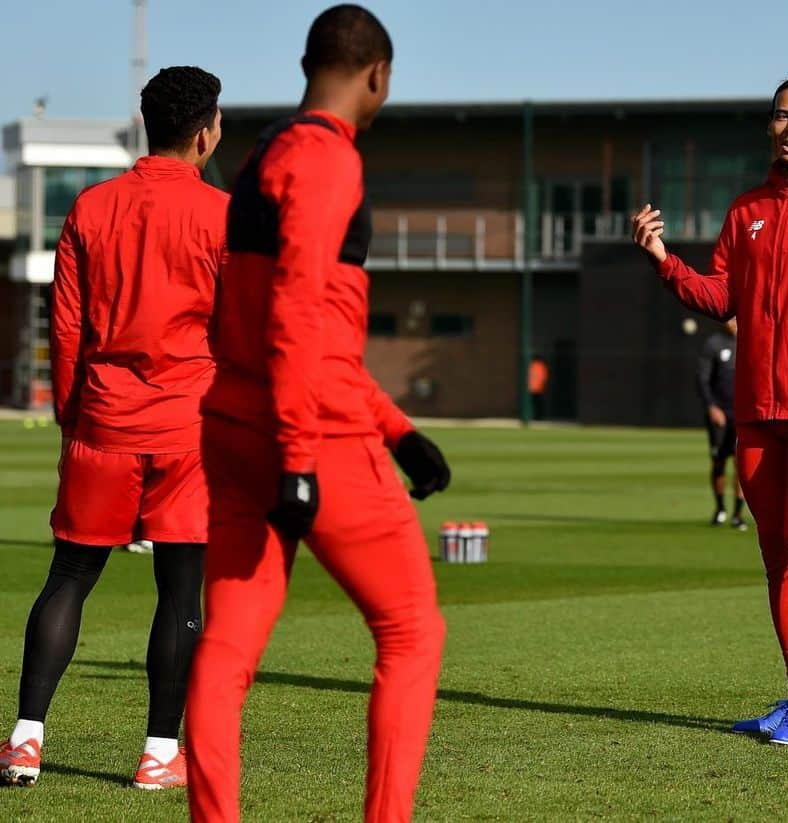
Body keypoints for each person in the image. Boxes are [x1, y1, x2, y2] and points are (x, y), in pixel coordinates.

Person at [184, 7, 450, 822]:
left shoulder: (263, 152)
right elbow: (298, 316)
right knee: (412, 633)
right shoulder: (329, 159)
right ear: (378, 75)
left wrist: (400, 430)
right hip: (311, 436)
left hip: (232, 427)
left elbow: (300, 325)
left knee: (226, 651)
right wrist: (301, 456)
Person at [631, 76, 788, 746]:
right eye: (782, 116)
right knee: (775, 554)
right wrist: (663, 259)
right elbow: (722, 297)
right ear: (769, 127)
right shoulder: (746, 209)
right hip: (755, 408)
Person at [0, 67, 227, 788]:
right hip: (188, 428)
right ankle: (159, 753)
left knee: (68, 576)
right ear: (205, 132)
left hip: (102, 416)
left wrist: (76, 417)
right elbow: (242, 333)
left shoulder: (91, 208)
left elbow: (65, 329)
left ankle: (23, 741)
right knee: (181, 591)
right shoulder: (224, 215)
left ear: (145, 125)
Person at [697, 320, 747, 531]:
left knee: (741, 464)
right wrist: (711, 407)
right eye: (730, 318)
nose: (734, 322)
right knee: (718, 461)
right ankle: (719, 509)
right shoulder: (714, 344)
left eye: (737, 318)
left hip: (743, 414)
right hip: (720, 413)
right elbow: (702, 378)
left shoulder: (750, 341)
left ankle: (738, 514)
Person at [529, 355, 550, 420]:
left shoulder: (533, 365)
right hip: (538, 387)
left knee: (535, 404)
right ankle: (537, 417)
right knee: (538, 404)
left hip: (534, 387)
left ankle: (536, 417)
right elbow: (544, 377)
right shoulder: (540, 366)